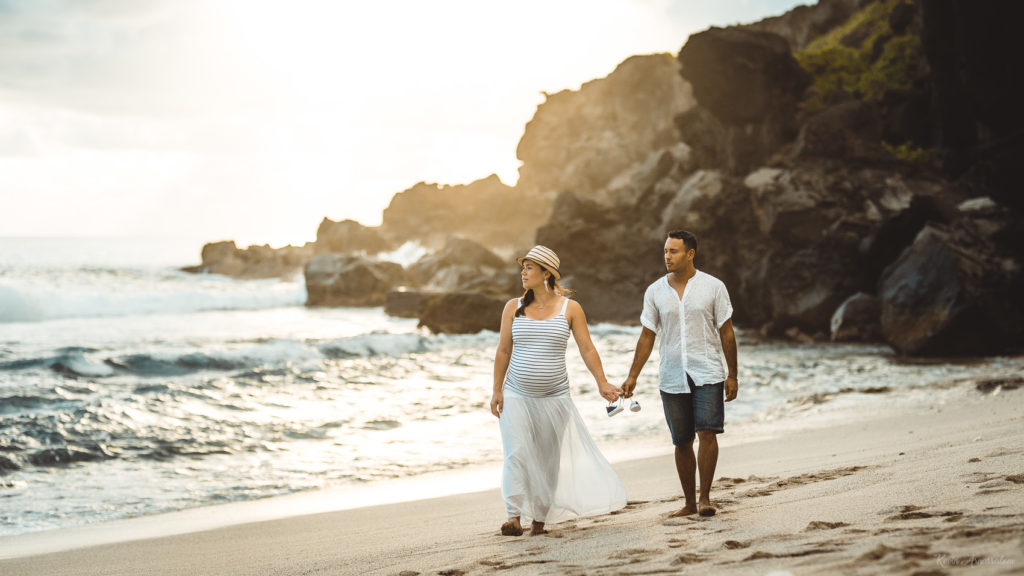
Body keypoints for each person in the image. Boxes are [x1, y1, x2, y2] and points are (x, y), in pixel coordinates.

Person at [491, 245, 626, 536]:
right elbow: (503, 351)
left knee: (548, 458)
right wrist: (497, 390)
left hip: (555, 397)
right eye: (523, 267)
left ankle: (539, 518)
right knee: (516, 453)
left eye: (529, 268)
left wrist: (602, 382)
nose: (523, 273)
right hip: (516, 394)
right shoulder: (512, 307)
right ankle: (513, 515)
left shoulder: (570, 308)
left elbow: (587, 348)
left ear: (546, 273)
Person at [621, 230, 738, 517]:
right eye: (665, 251)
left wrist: (732, 374)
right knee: (682, 440)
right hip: (672, 375)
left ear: (690, 254)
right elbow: (647, 336)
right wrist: (633, 375)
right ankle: (688, 502)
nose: (667, 256)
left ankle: (705, 499)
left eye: (673, 251)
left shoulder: (713, 286)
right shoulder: (655, 291)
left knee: (707, 432)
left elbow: (727, 332)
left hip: (708, 371)